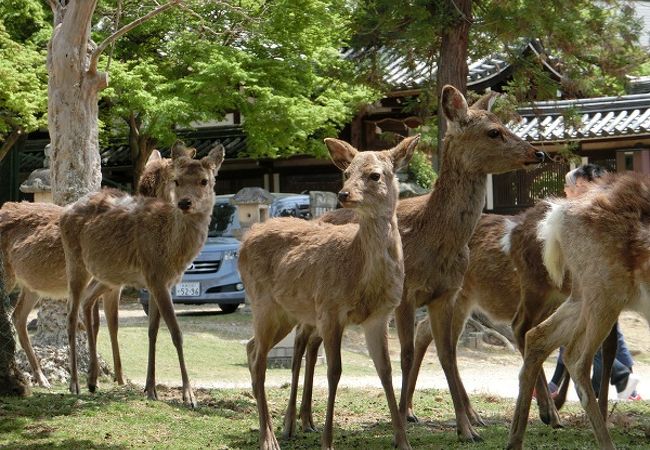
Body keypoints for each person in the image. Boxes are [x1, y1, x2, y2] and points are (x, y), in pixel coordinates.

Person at [547, 164, 641, 401]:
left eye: (570, 186)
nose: (566, 191)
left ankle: (622, 379)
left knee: (589, 328)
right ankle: (624, 382)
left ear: (583, 185)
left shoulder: (591, 220)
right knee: (604, 330)